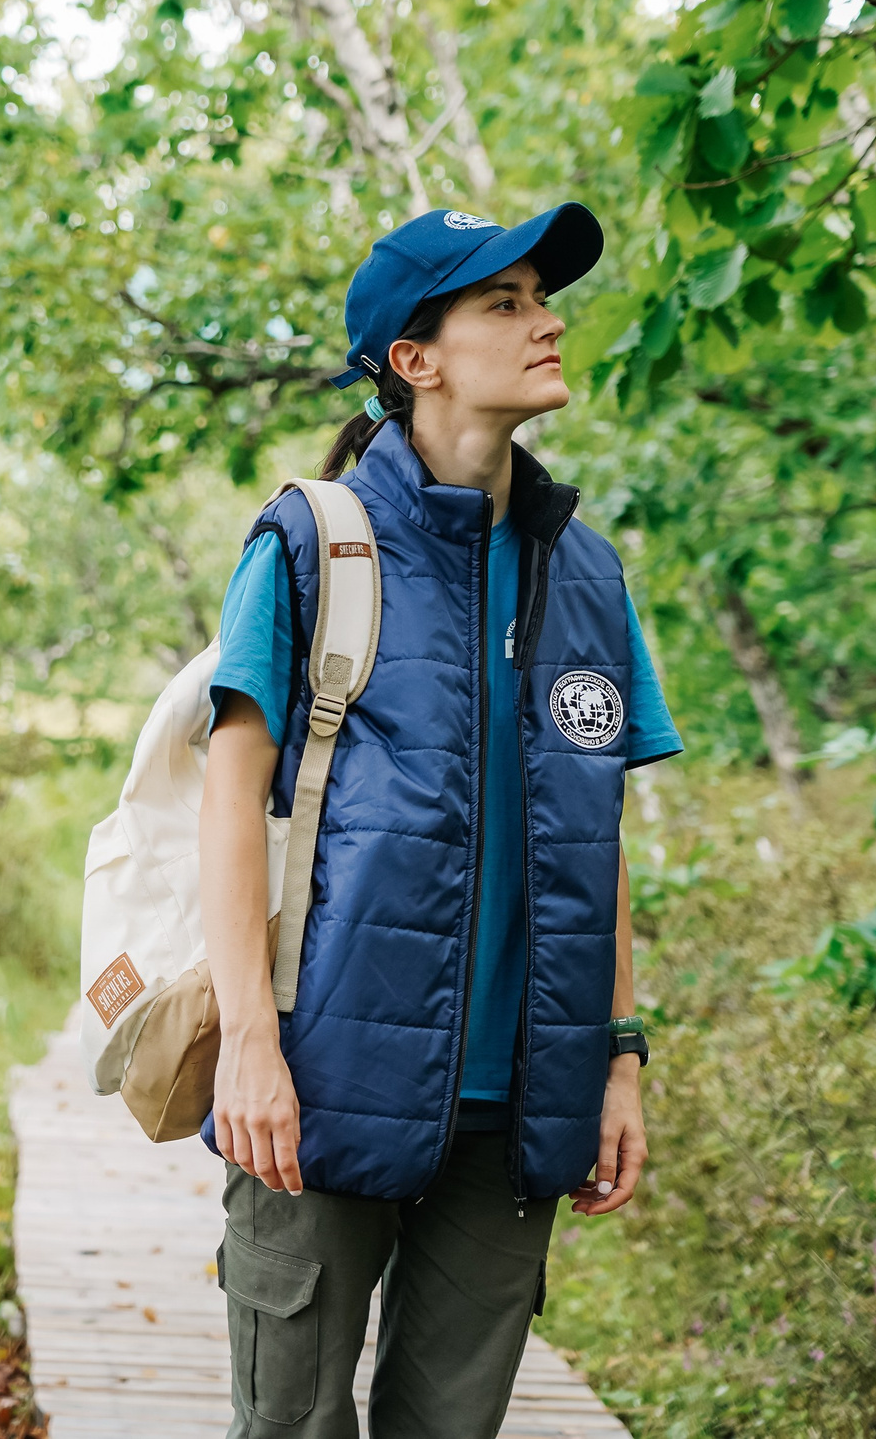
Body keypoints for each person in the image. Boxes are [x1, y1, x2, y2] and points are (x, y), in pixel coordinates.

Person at [198, 202, 680, 1438]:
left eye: (542, 297)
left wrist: (616, 1055)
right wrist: (250, 1043)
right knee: (292, 1426)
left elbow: (596, 838)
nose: (547, 321)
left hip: (522, 1104)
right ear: (414, 359)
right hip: (321, 1077)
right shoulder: (314, 540)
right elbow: (230, 798)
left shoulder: (588, 573)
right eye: (504, 303)